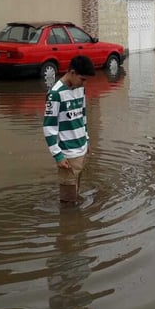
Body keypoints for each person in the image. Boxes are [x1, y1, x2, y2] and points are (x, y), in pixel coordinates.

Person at [43, 55, 95, 205]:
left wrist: (87, 139)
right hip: (67, 155)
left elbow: (82, 115)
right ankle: (69, 225)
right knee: (68, 201)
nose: (83, 83)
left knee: (76, 193)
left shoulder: (80, 89)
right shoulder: (55, 94)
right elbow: (48, 127)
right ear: (72, 72)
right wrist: (58, 155)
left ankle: (76, 225)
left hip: (81, 149)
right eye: (82, 79)